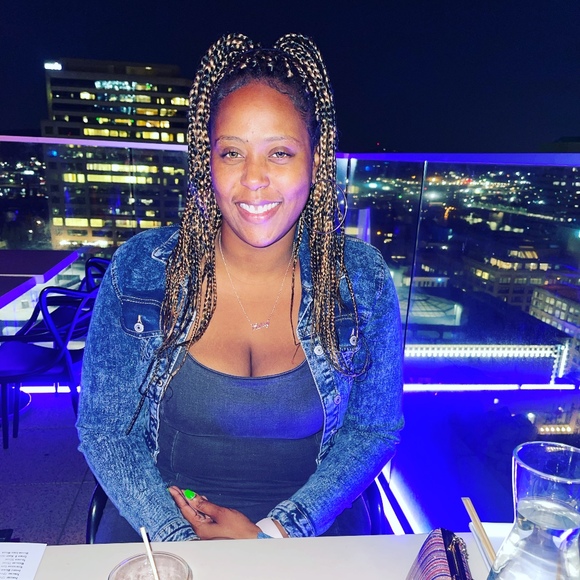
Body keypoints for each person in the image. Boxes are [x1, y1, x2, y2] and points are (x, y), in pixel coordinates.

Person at [76, 32, 404, 542]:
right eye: (232, 152)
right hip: (163, 522)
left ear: (316, 160)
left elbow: (373, 429)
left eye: (280, 153)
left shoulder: (363, 282)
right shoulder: (141, 271)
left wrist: (273, 537)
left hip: (313, 528)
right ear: (206, 161)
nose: (254, 179)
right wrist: (185, 541)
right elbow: (105, 431)